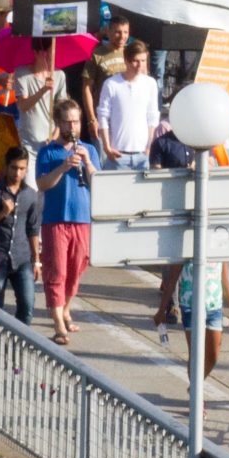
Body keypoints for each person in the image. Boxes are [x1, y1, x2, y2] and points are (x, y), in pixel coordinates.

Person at [34, 101, 100, 346]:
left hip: (82, 219)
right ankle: (58, 324)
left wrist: (88, 164)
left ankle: (65, 307)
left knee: (76, 271)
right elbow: (42, 184)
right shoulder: (48, 152)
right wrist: (63, 167)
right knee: (57, 271)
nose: (72, 126)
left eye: (76, 121)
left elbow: (100, 184)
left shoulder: (89, 150)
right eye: (67, 122)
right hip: (56, 219)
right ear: (58, 123)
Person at [153, 238, 229, 379]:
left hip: (214, 307)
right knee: (196, 355)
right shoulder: (186, 249)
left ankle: (196, 386)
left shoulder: (218, 247)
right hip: (190, 307)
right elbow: (172, 281)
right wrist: (162, 309)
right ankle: (196, 394)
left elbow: (225, 279)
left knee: (213, 355)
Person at [0, 145, 41, 325]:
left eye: (22, 169)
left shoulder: (30, 195)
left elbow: (33, 228)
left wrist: (36, 259)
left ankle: (18, 343)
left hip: (22, 258)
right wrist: (2, 213)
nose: (17, 173)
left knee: (27, 305)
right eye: (14, 167)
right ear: (6, 167)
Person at [94, 40, 158, 170]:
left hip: (142, 154)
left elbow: (152, 117)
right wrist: (107, 147)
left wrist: (149, 147)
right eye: (135, 61)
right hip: (117, 153)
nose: (139, 65)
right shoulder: (111, 84)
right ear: (126, 60)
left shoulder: (150, 83)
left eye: (143, 61)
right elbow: (103, 117)